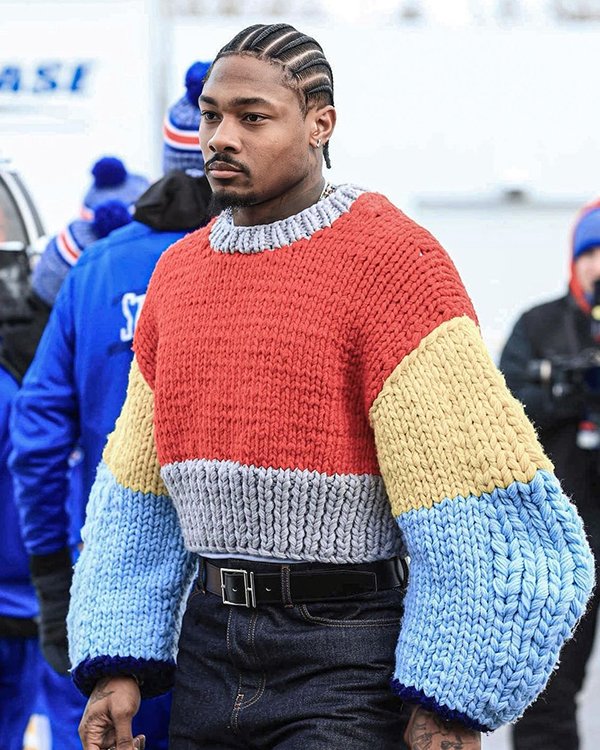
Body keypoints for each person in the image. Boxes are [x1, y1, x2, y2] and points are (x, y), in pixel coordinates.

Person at [67, 23, 595, 750]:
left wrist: (452, 698)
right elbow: (138, 495)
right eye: (212, 116)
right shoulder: (177, 277)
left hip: (348, 661)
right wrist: (116, 665)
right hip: (209, 649)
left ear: (321, 123)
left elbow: (480, 504)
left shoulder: (393, 264)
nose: (221, 137)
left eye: (253, 117)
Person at [9, 61, 212, 750]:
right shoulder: (271, 261)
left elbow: (37, 444)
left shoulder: (96, 268)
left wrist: (51, 581)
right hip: (244, 603)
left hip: (113, 590)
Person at [0, 197, 135, 750]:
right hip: (67, 588)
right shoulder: (83, 379)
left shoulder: (25, 385)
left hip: (50, 588)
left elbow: (36, 464)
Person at [500, 199, 600, 750]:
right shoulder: (539, 326)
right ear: (574, 260)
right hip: (561, 539)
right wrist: (565, 390)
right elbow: (500, 410)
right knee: (548, 693)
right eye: (592, 253)